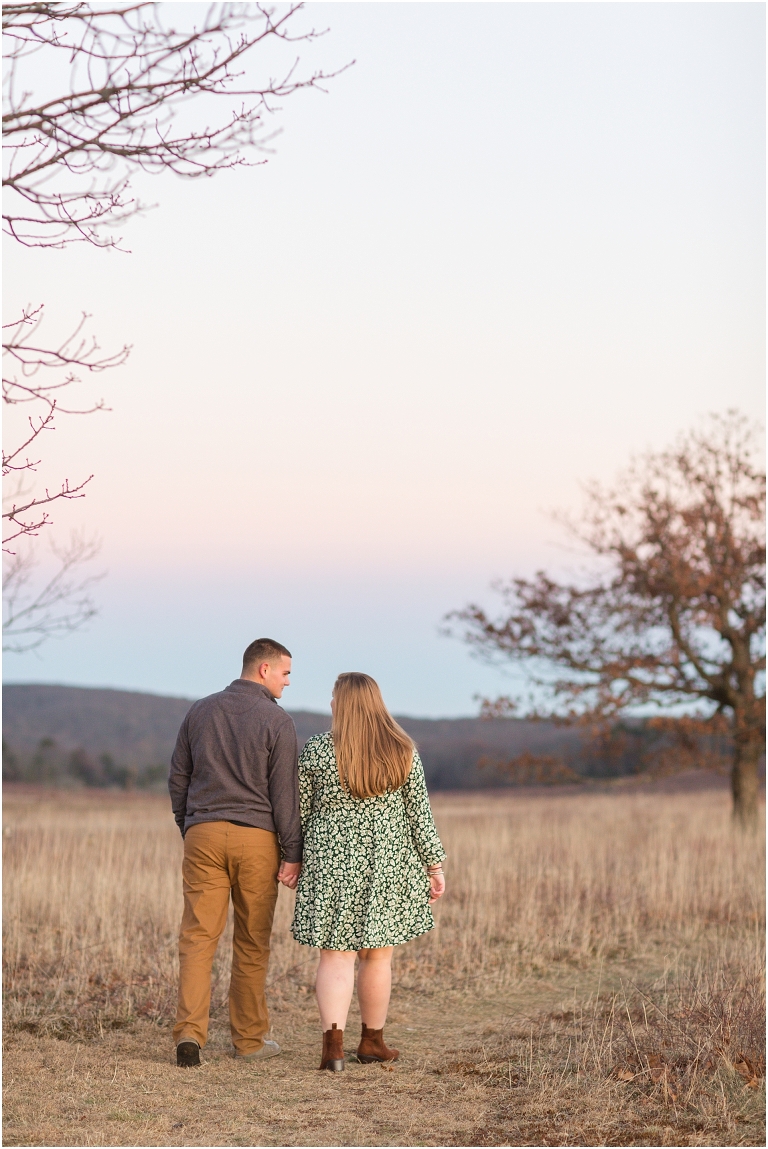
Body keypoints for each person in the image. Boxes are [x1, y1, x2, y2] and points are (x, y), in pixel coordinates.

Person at [291, 672, 446, 1071]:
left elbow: (299, 815)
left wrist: (293, 857)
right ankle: (372, 1042)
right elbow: (419, 817)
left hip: (331, 867)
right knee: (378, 958)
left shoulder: (317, 751)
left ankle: (333, 1052)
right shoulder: (403, 750)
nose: (329, 702)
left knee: (335, 958)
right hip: (389, 865)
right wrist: (434, 865)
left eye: (332, 697)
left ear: (342, 704)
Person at [168, 638, 302, 1067]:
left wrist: (188, 825)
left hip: (203, 834)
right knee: (251, 942)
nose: (286, 683)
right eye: (285, 673)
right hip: (257, 840)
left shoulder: (199, 710)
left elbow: (178, 777)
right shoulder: (277, 721)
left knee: (197, 938)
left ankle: (189, 1034)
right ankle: (248, 1041)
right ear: (263, 669)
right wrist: (292, 851)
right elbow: (285, 797)